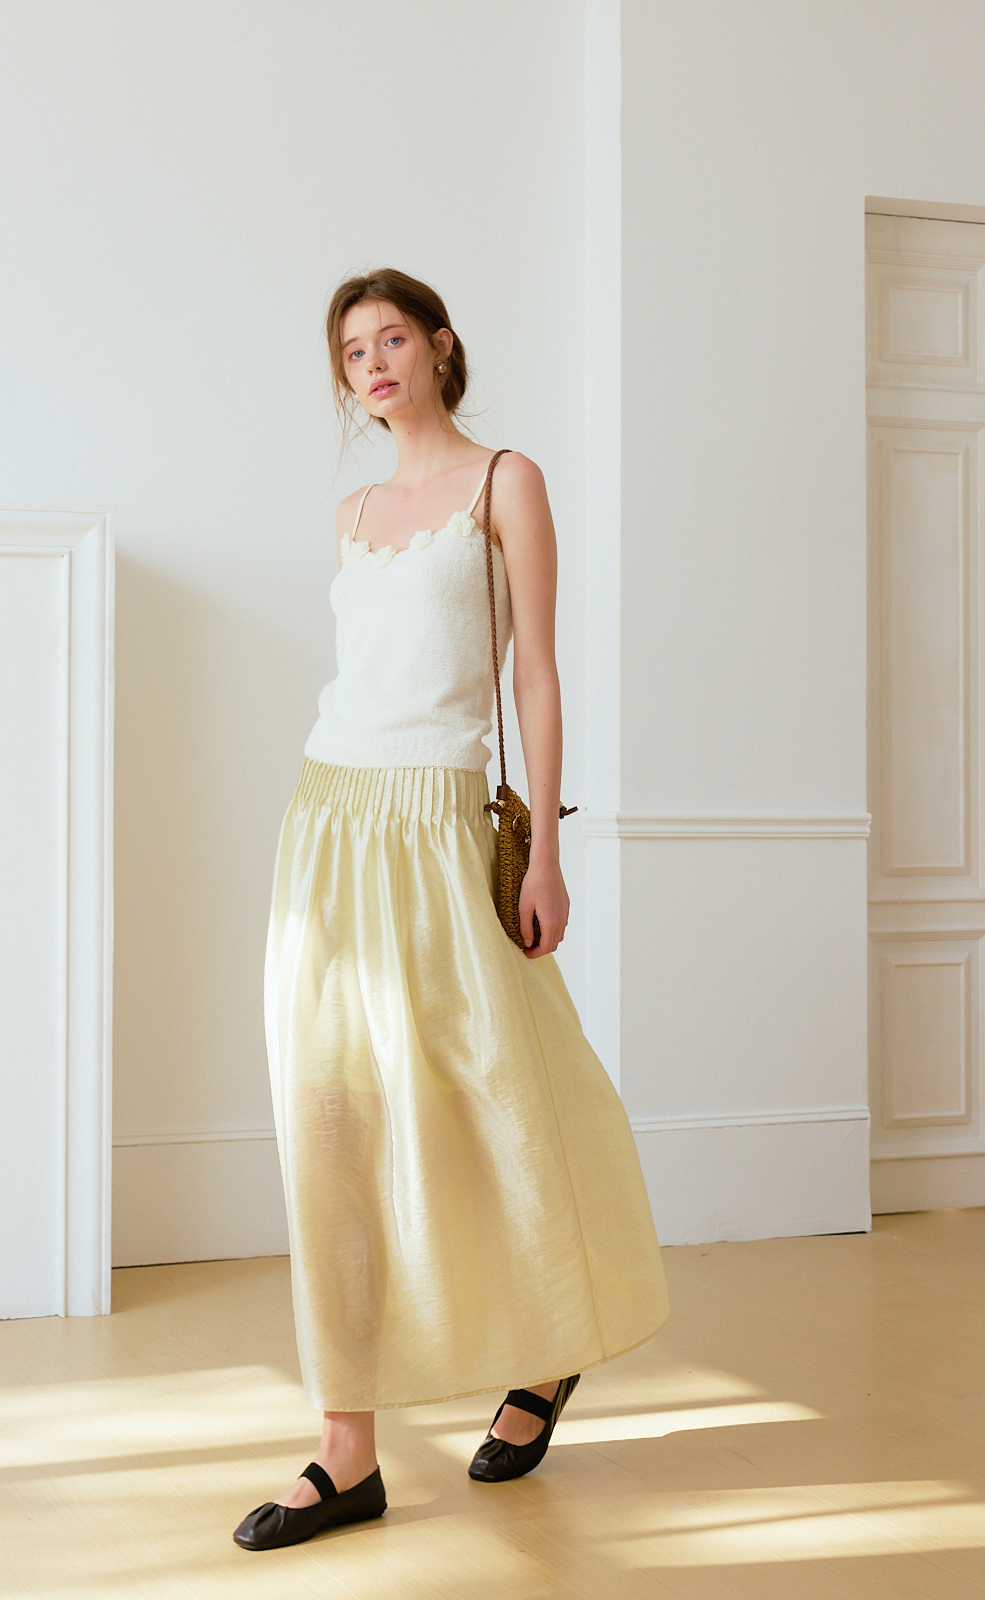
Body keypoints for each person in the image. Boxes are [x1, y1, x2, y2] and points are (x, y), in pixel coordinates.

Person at [233, 269, 668, 1552]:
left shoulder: (505, 482)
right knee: (329, 1122)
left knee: (500, 1095)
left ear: (439, 346)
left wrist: (547, 850)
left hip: (437, 825)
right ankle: (346, 1448)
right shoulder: (354, 513)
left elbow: (536, 672)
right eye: (351, 350)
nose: (372, 363)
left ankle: (547, 1348)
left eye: (391, 339)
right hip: (326, 822)